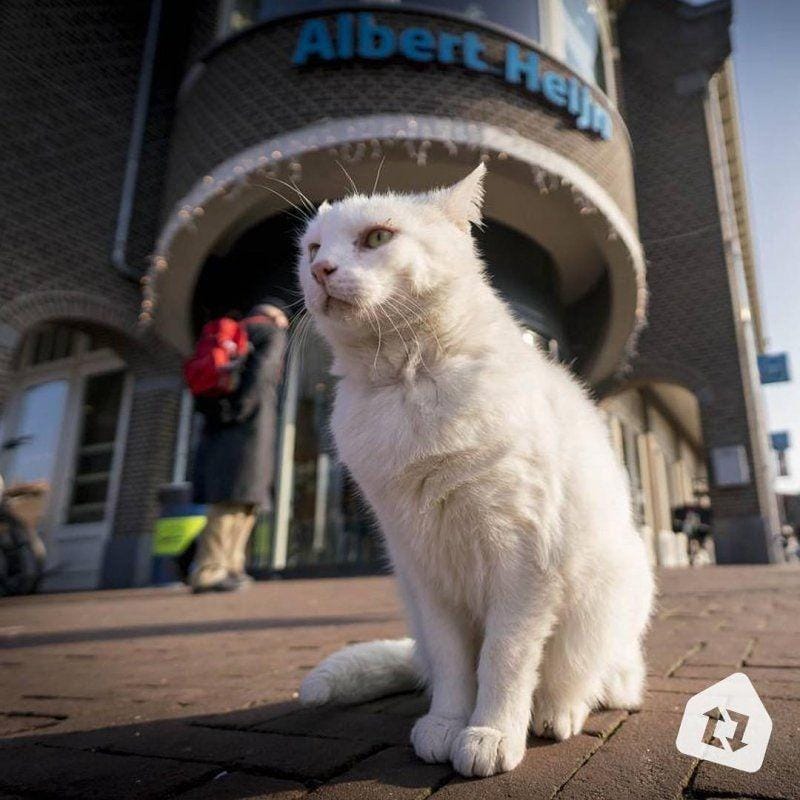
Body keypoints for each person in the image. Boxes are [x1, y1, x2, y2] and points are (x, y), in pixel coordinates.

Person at [189, 300, 289, 593]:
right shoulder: (271, 334)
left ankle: (230, 568)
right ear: (274, 316)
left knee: (237, 500)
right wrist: (241, 411)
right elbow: (262, 374)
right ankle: (211, 571)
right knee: (236, 502)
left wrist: (226, 413)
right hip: (248, 428)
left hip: (222, 427)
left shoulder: (238, 336)